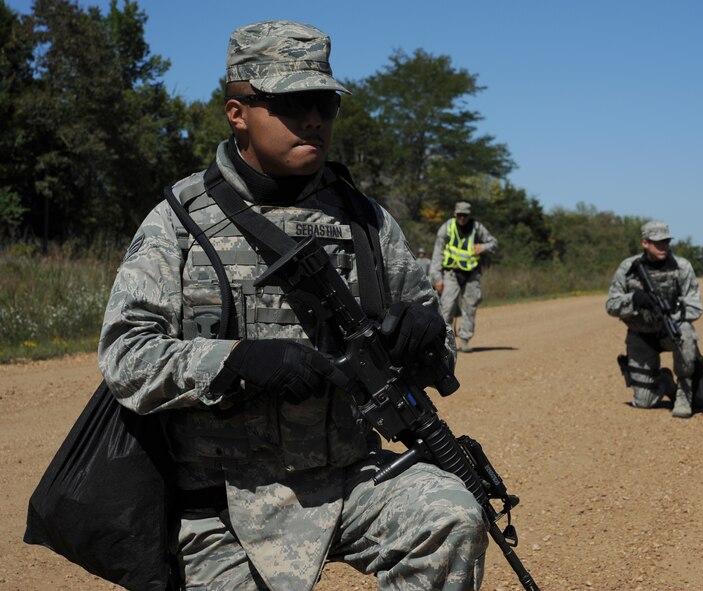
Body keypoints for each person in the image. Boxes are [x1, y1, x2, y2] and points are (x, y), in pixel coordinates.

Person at [98, 21, 486, 590]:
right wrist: (235, 363)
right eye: (292, 103)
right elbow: (125, 356)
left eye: (325, 103)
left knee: (450, 513)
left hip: (345, 478)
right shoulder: (178, 222)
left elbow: (434, 344)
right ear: (237, 112)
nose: (314, 120)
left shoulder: (368, 221)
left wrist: (426, 335)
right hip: (220, 501)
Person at [605, 221, 703, 418]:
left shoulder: (682, 267)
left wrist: (673, 312)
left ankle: (684, 392)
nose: (663, 247)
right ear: (645, 243)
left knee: (685, 331)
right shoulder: (629, 267)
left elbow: (695, 307)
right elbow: (611, 306)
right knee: (644, 402)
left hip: (670, 331)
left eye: (666, 242)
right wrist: (634, 299)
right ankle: (665, 382)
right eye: (658, 243)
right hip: (641, 335)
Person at [430, 202, 498, 353]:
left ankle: (465, 339)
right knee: (447, 307)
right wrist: (437, 278)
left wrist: (483, 247)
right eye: (459, 215)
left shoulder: (477, 228)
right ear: (455, 214)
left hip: (472, 273)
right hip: (451, 273)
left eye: (465, 215)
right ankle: (445, 341)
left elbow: (494, 243)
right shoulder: (446, 228)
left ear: (469, 215)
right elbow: (437, 254)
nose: (462, 218)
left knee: (470, 307)